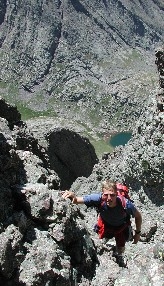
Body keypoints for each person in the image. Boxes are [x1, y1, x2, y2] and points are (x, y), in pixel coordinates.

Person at [62, 179, 142, 267]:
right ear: (102, 194)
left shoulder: (125, 204)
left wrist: (137, 233)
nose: (109, 198)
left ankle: (119, 257)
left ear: (117, 195)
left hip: (121, 228)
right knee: (99, 241)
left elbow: (138, 216)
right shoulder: (98, 199)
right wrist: (73, 196)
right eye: (106, 195)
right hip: (105, 224)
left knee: (121, 246)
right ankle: (104, 251)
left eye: (112, 195)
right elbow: (77, 200)